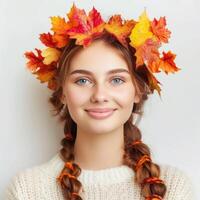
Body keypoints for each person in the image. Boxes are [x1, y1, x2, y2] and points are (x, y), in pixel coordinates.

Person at [4, 3, 196, 200]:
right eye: (83, 80)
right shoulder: (27, 191)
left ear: (137, 90)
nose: (100, 95)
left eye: (116, 80)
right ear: (62, 91)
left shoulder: (173, 188)